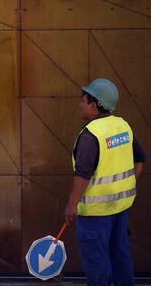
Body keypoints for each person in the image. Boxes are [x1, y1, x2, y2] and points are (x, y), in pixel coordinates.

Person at [64, 78, 146, 285]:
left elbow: (83, 173)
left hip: (96, 213)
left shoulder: (90, 136)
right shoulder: (122, 126)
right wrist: (126, 185)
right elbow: (140, 159)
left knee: (97, 260)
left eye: (83, 101)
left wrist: (71, 205)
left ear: (94, 105)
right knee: (120, 255)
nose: (79, 105)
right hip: (120, 208)